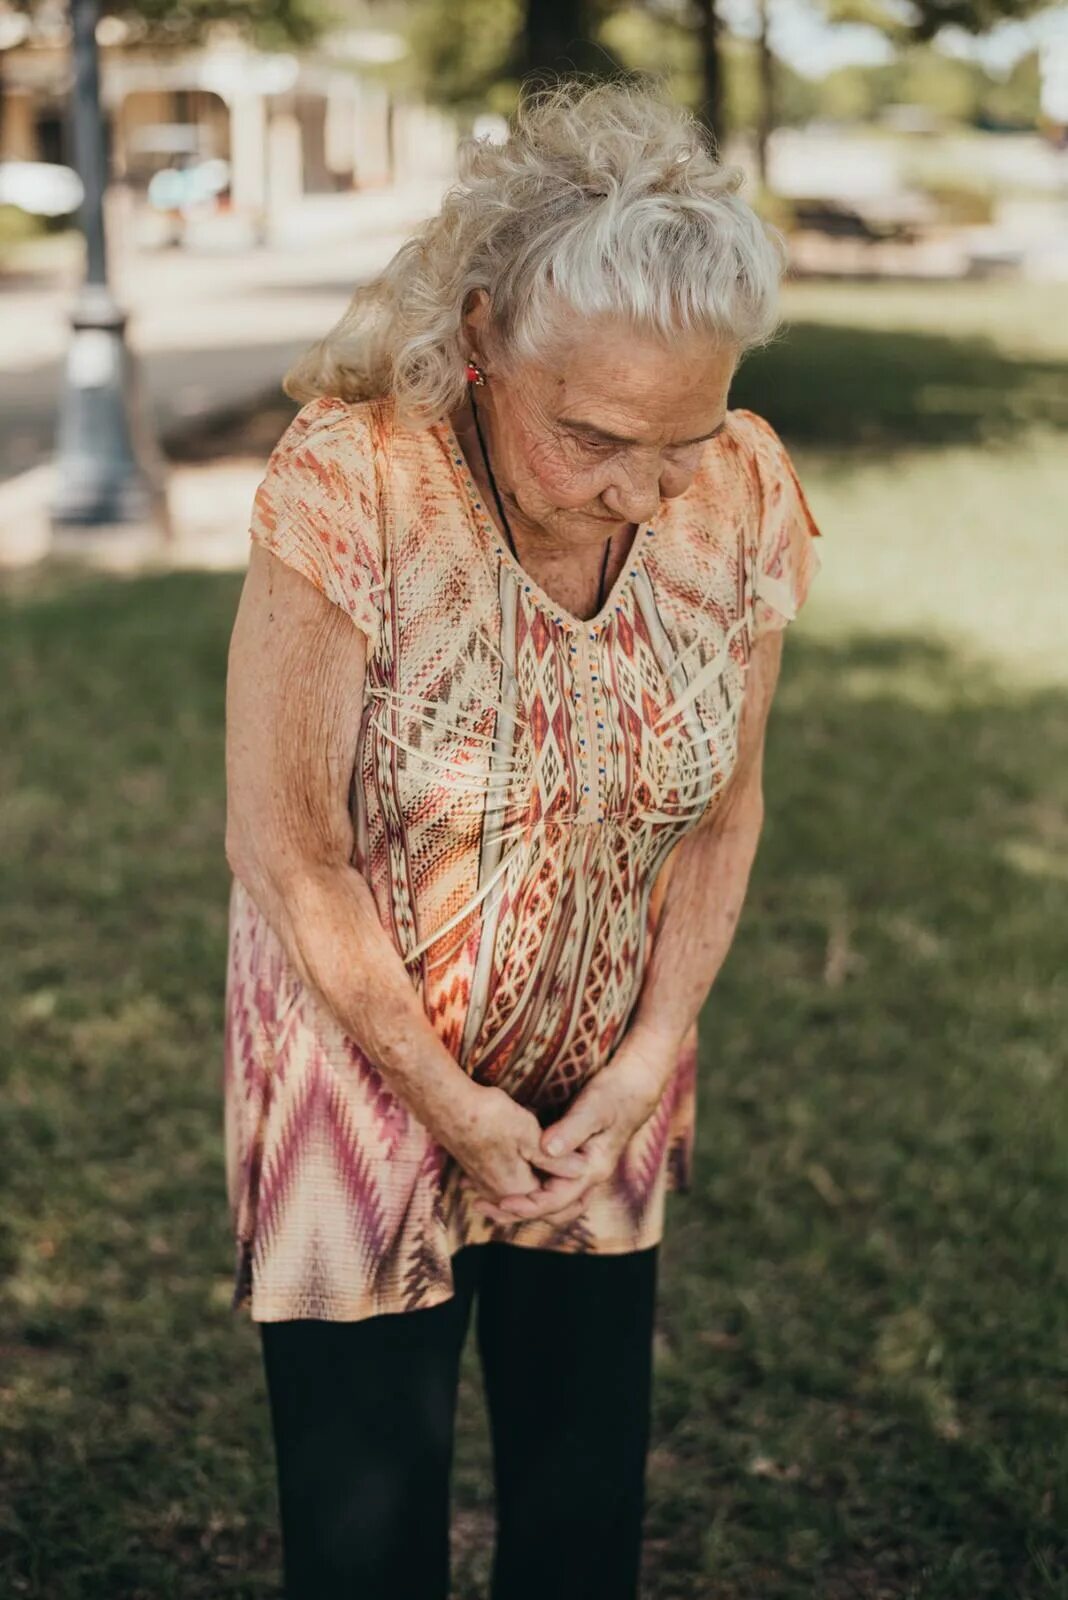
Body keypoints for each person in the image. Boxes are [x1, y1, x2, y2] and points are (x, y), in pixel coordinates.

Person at [223, 78, 823, 1600]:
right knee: (364, 1538)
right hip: (362, 1069)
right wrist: (444, 1095)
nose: (644, 487)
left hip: (606, 1071)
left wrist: (651, 1053)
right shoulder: (353, 477)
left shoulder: (739, 488)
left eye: (680, 437)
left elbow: (728, 808)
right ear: (483, 341)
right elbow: (290, 850)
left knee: (580, 1509)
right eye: (596, 436)